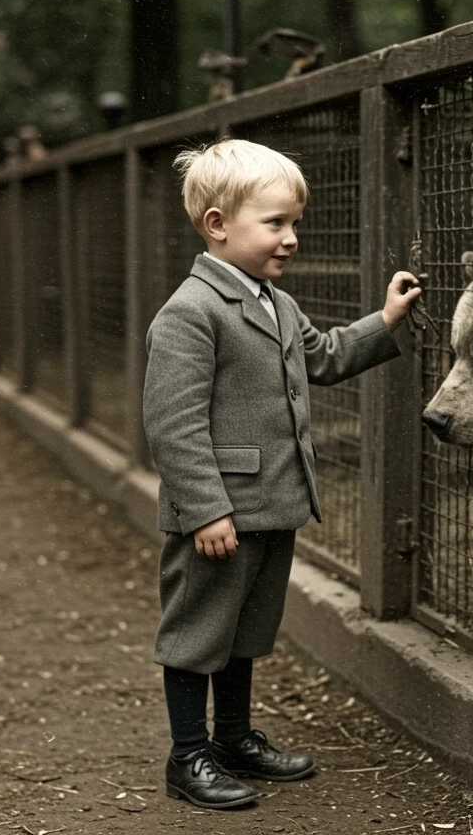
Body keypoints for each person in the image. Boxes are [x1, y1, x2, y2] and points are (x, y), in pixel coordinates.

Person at [143, 138, 422, 809]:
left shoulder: (274, 301)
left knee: (245, 627)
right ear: (218, 225)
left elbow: (321, 357)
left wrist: (384, 321)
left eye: (294, 223)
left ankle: (234, 738)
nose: (291, 238)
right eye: (275, 223)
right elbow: (173, 425)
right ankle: (188, 756)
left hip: (270, 505)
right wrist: (206, 510)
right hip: (220, 513)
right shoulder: (191, 312)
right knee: (197, 631)